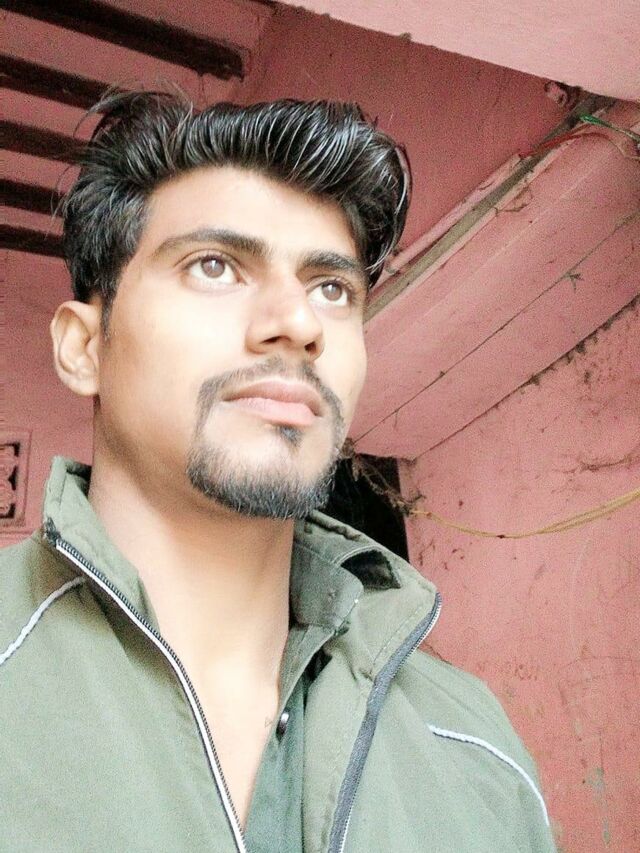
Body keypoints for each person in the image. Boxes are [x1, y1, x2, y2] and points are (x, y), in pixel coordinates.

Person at [0, 92, 556, 853]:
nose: (298, 323)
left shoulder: (479, 750)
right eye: (215, 266)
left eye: (332, 289)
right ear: (84, 348)